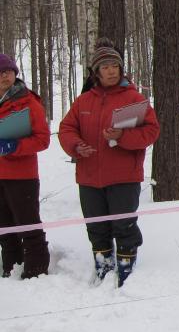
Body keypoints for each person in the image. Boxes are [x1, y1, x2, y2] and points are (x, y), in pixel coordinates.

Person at [58, 39, 160, 287]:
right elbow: (66, 129)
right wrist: (76, 146)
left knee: (124, 224)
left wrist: (123, 137)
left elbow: (151, 131)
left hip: (124, 175)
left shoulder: (134, 98)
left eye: (115, 65)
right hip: (89, 176)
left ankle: (126, 264)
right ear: (96, 72)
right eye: (105, 67)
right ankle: (103, 263)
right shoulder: (83, 101)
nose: (111, 71)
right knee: (96, 226)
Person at [0, 54, 51, 279]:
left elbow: (43, 139)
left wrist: (15, 145)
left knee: (27, 222)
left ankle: (36, 269)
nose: (4, 76)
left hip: (22, 175)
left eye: (7, 72)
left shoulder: (28, 102)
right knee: (3, 225)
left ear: (15, 74)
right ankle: (10, 266)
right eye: (0, 73)